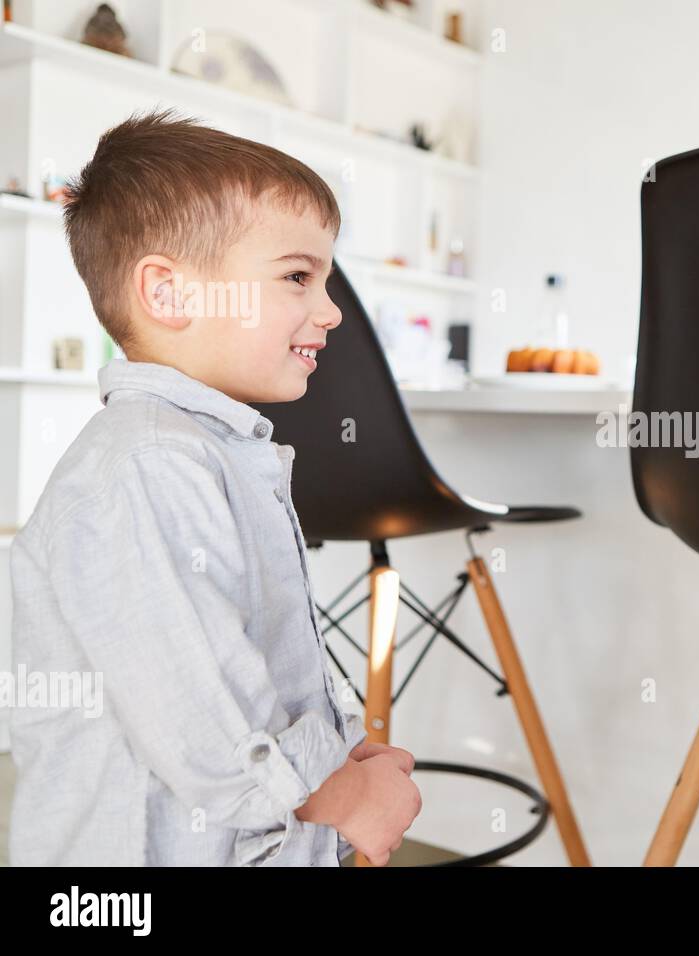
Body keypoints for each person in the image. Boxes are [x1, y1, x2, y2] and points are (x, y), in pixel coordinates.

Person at [8, 110, 421, 865]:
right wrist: (347, 797)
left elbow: (249, 656)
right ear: (168, 294)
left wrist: (338, 756)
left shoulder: (210, 451)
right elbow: (194, 704)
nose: (330, 311)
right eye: (298, 276)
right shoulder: (147, 464)